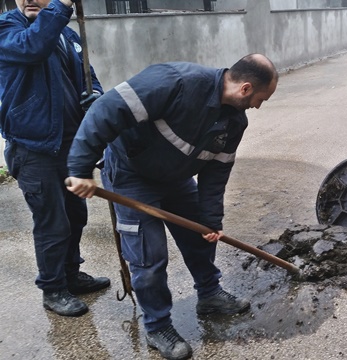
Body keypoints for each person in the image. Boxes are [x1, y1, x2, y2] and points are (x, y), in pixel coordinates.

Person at [65, 54, 279, 360]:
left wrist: (211, 220)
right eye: (261, 99)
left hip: (176, 179)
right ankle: (157, 326)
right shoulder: (174, 82)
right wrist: (80, 167)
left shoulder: (234, 122)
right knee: (149, 256)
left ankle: (210, 295)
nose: (258, 106)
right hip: (131, 176)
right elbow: (106, 109)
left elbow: (216, 174)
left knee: (201, 235)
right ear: (245, 89)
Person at [0, 0, 110, 318]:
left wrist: (97, 98)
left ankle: (71, 276)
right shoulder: (9, 28)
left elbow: (88, 76)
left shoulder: (68, 35)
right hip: (34, 149)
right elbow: (33, 46)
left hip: (71, 146)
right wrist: (60, 7)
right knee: (53, 224)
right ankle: (53, 288)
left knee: (76, 216)